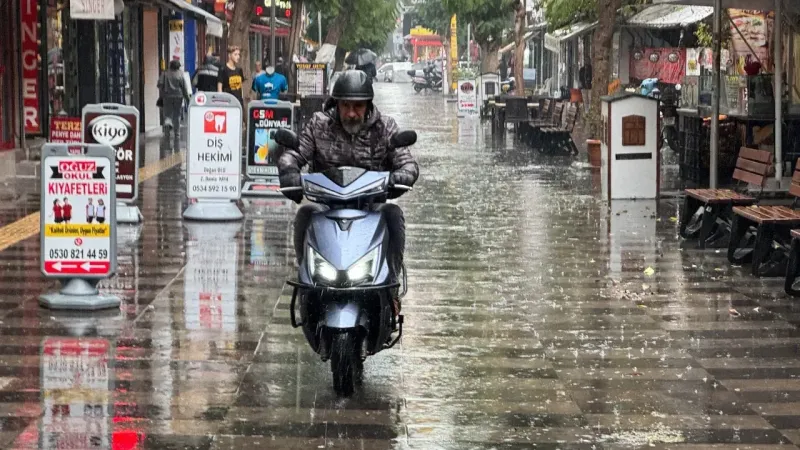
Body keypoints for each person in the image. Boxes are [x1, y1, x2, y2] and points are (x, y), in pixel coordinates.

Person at [278, 70, 418, 313]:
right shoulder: (318, 125)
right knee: (304, 214)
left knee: (394, 214)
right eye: (346, 105)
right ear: (336, 104)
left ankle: (392, 287)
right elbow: (295, 153)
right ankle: (306, 283)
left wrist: (401, 175)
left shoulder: (385, 128)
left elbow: (407, 162)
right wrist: (289, 171)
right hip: (326, 206)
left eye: (358, 106)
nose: (352, 113)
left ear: (368, 105)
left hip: (370, 207)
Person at [158, 59, 191, 150]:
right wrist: (188, 99)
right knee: (177, 115)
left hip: (167, 97)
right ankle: (177, 134)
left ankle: (167, 133)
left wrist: (163, 91)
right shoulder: (180, 74)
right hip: (178, 97)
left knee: (167, 115)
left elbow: (159, 84)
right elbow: (184, 88)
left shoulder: (165, 73)